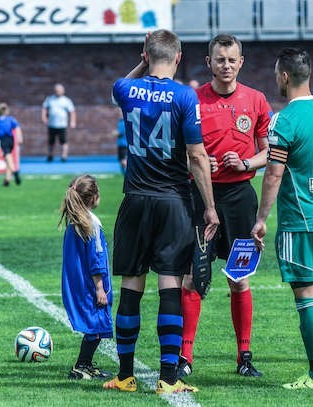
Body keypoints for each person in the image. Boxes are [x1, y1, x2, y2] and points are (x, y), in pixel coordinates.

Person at [102, 29, 219, 394]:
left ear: (146, 54)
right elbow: (198, 156)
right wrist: (211, 207)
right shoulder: (185, 95)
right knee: (170, 285)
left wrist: (144, 59)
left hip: (134, 201)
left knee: (130, 286)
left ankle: (124, 376)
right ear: (180, 58)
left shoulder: (125, 89)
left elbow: (121, 83)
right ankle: (168, 380)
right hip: (172, 201)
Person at [251, 47, 313, 390]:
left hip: (300, 221)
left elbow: (274, 174)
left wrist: (261, 218)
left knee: (306, 297)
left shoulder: (285, 120)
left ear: (284, 77)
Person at [178, 33, 272, 379]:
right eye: (220, 60)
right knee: (193, 279)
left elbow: (269, 153)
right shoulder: (191, 100)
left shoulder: (257, 100)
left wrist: (247, 163)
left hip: (240, 201)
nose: (226, 65)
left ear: (241, 62)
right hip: (200, 200)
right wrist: (198, 166)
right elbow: (179, 153)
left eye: (232, 60)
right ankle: (185, 356)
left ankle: (244, 356)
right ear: (209, 63)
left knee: (239, 278)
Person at [58, 174, 113, 380]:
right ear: (93, 198)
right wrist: (100, 288)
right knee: (96, 325)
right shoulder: (91, 223)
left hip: (78, 283)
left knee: (95, 324)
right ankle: (82, 365)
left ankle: (86, 364)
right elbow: (96, 258)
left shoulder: (76, 222)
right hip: (91, 284)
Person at [0, 102, 23, 186]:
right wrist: (19, 137)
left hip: (3, 140)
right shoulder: (10, 119)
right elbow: (17, 127)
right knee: (9, 158)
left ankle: (15, 172)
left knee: (8, 157)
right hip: (11, 139)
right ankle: (7, 180)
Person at [42, 83, 76, 162]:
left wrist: (73, 121)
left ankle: (64, 156)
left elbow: (72, 111)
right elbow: (44, 108)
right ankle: (50, 156)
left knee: (63, 141)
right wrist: (44, 117)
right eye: (57, 90)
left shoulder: (66, 100)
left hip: (62, 125)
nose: (58, 92)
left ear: (63, 91)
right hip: (52, 124)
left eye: (60, 90)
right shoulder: (50, 99)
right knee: (51, 142)